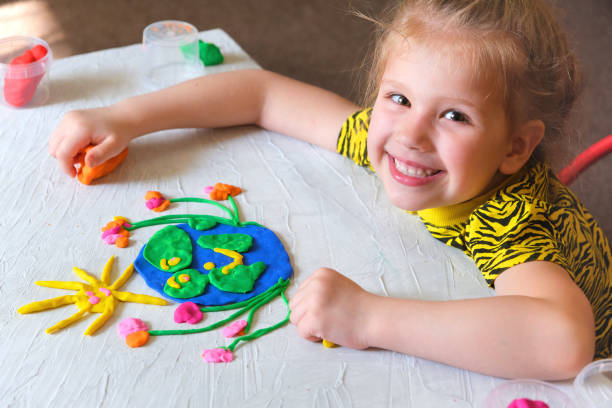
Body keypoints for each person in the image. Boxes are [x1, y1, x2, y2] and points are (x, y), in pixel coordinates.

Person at [49, 0, 611, 380]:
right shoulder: (382, 134)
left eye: (456, 116)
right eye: (399, 98)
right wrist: (124, 116)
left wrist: (367, 318)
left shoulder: (512, 221)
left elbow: (562, 343)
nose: (410, 135)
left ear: (516, 148)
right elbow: (263, 94)